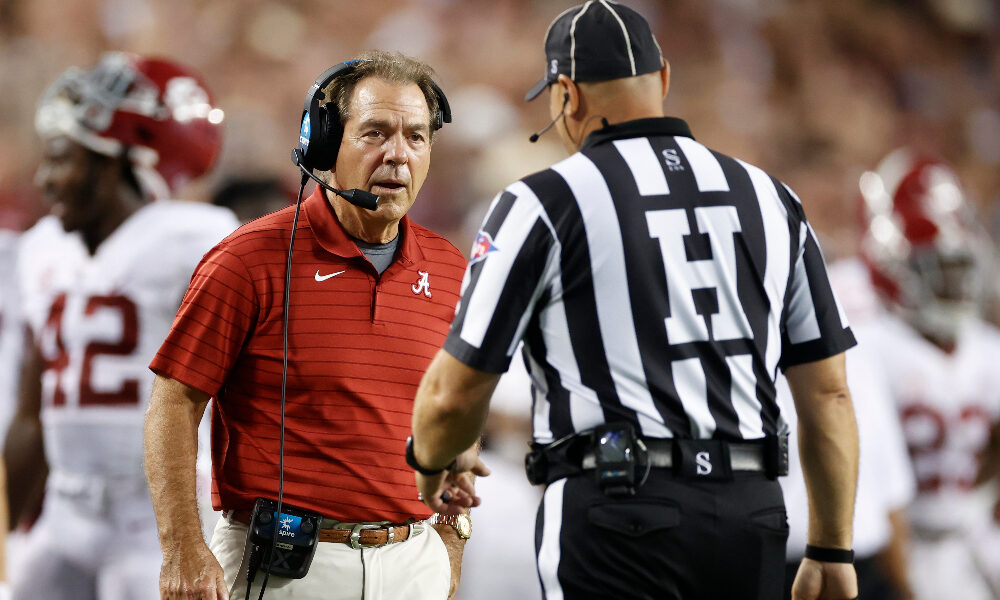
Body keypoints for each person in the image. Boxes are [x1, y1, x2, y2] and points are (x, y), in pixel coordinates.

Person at [409, 3, 860, 599]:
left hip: (618, 515)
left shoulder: (547, 201)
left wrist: (433, 458)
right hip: (752, 514)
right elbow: (827, 391)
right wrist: (832, 546)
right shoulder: (771, 197)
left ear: (566, 95)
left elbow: (454, 394)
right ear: (664, 78)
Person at [144, 50, 473, 600]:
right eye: (375, 133)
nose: (398, 155)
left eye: (416, 137)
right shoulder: (247, 260)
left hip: (414, 562)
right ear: (324, 146)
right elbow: (174, 402)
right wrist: (182, 546)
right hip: (282, 569)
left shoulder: (451, 269)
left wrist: (452, 535)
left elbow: (458, 408)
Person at [2, 52, 238, 600]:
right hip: (65, 514)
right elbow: (32, 415)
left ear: (116, 164)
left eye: (61, 160)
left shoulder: (195, 238)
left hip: (158, 520)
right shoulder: (43, 251)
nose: (45, 180)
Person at [853, 148, 1000, 600]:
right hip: (894, 540)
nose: (953, 285)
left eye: (959, 269)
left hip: (971, 537)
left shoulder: (986, 347)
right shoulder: (871, 348)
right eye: (936, 268)